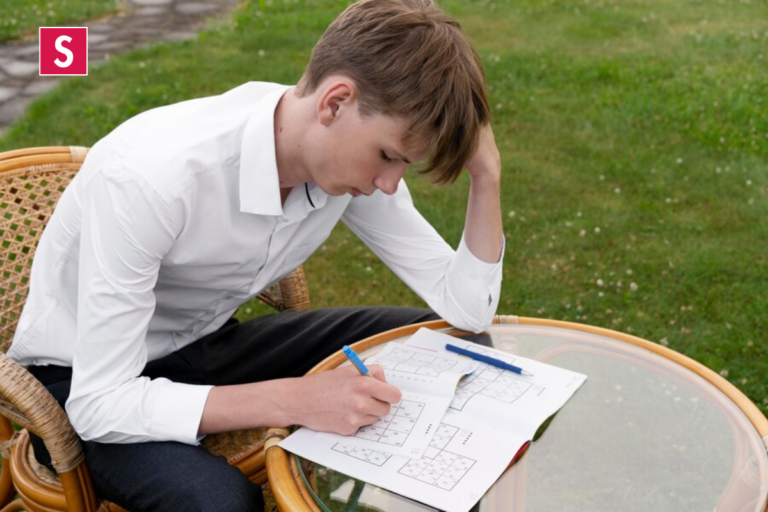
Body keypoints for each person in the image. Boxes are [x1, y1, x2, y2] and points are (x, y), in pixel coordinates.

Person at [8, 0, 504, 510]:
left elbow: (468, 310)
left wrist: (486, 176)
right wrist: (297, 398)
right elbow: (100, 405)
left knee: (457, 346)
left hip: (205, 347)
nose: (388, 183)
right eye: (387, 156)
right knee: (222, 503)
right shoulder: (152, 178)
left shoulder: (341, 164)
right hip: (80, 383)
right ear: (335, 102)